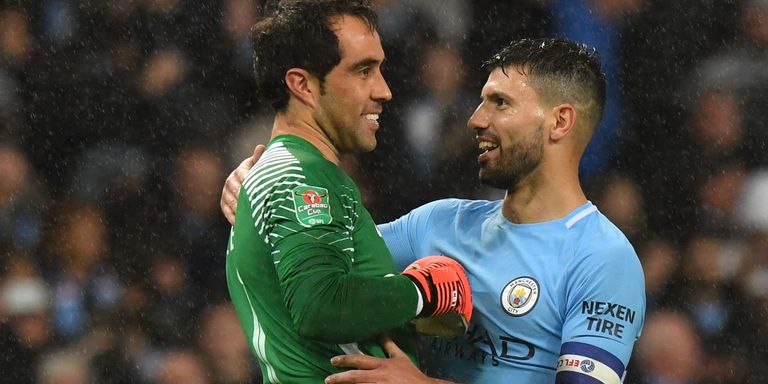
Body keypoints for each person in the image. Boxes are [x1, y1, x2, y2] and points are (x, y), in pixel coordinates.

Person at [222, 38, 646, 383]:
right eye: (481, 102)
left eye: (500, 103)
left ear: (560, 122)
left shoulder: (602, 259)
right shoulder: (439, 223)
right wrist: (264, 188)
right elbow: (320, 266)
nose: (475, 120)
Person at [224, 0, 471, 384]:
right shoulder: (303, 177)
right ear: (302, 85)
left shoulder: (281, 174)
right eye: (363, 71)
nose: (383, 90)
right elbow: (319, 304)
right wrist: (420, 293)